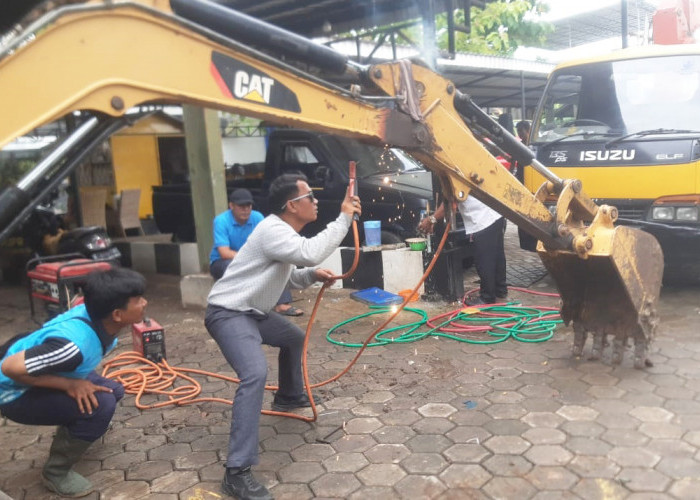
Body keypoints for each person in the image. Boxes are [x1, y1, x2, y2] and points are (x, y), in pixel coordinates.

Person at [205, 173, 361, 500]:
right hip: (228, 312)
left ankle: (289, 396)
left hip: (252, 312)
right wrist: (344, 217)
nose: (316, 202)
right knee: (254, 374)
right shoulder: (274, 229)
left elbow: (291, 270)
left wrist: (310, 276)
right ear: (292, 205)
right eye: (310, 197)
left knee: (292, 338)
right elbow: (308, 252)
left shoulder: (281, 232)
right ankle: (236, 473)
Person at [0, 267, 147, 497]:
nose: (145, 303)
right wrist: (69, 385)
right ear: (117, 314)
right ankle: (55, 472)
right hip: (11, 391)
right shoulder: (72, 348)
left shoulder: (95, 313)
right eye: (138, 300)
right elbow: (8, 368)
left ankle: (75, 427)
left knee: (114, 389)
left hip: (37, 370)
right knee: (102, 406)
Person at [210, 188, 303, 316]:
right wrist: (250, 259)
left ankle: (283, 304)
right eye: (241, 206)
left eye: (248, 205)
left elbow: (270, 243)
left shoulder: (257, 217)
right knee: (229, 266)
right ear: (231, 206)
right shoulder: (221, 221)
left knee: (278, 262)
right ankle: (241, 305)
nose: (246, 209)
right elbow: (224, 253)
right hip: (223, 261)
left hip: (251, 259)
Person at [419, 197, 507, 305]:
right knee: (496, 255)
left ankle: (487, 297)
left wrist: (431, 219)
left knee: (484, 260)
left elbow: (449, 202)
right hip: (494, 214)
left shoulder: (454, 180)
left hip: (482, 218)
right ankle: (500, 291)